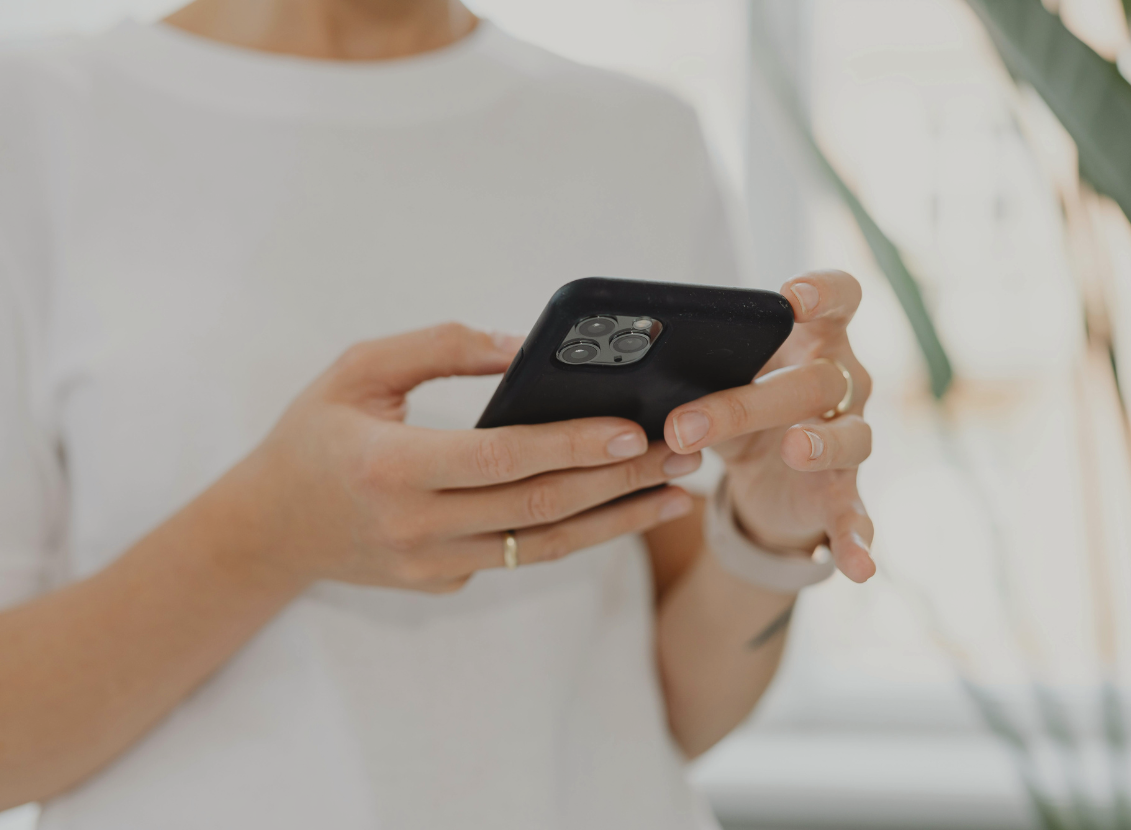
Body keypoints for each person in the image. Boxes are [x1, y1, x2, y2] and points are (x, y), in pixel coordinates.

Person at [0, 1, 874, 827]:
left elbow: (675, 709)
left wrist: (764, 533)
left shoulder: (640, 137)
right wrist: (270, 533)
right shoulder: (37, 124)